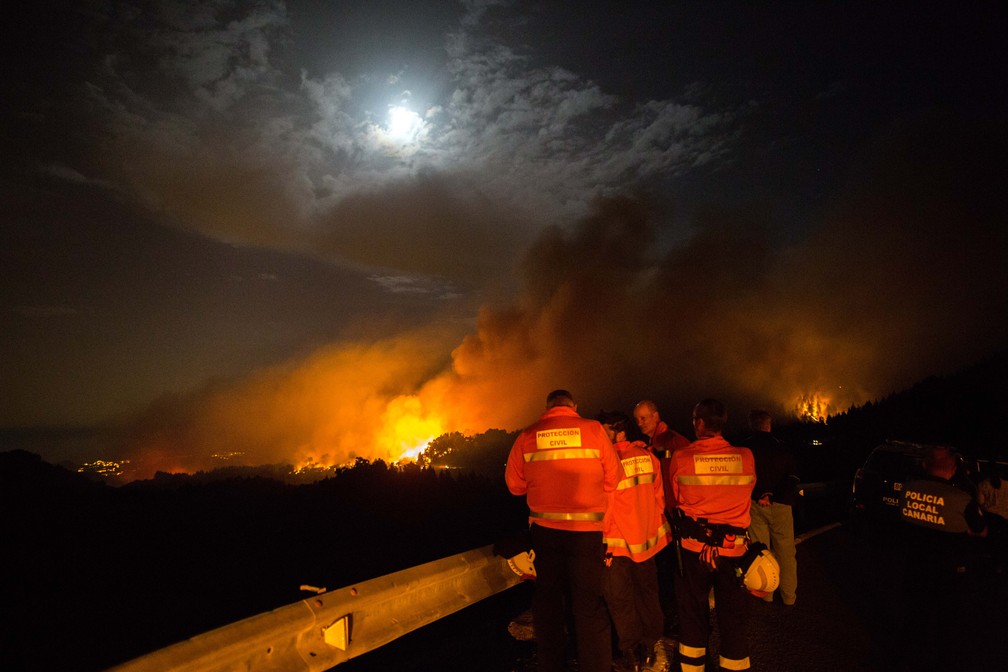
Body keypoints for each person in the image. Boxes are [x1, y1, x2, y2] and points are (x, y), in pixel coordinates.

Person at [505, 389, 621, 672]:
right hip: (586, 534)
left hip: (545, 534)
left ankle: (551, 665)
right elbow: (615, 477)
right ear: (574, 407)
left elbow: (514, 485)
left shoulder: (527, 435)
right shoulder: (593, 430)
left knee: (548, 604)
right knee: (589, 607)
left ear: (547, 408)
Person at [667, 399, 756, 672]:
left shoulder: (682, 459)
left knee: (693, 616)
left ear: (700, 423)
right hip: (734, 552)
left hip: (694, 551)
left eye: (694, 420)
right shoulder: (746, 456)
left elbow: (675, 500)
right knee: (733, 619)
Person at [596, 410, 672, 672]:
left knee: (620, 599)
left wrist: (602, 543)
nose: (600, 436)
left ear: (619, 433)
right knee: (648, 595)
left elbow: (607, 508)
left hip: (616, 544)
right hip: (647, 543)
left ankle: (630, 653)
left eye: (604, 431)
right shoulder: (648, 457)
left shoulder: (608, 462)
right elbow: (659, 498)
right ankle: (650, 647)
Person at [634, 400, 690, 634]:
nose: (640, 423)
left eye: (644, 418)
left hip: (673, 515)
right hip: (665, 514)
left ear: (656, 416)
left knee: (673, 571)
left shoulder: (672, 441)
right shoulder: (655, 442)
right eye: (637, 420)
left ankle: (676, 620)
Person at [744, 409, 799, 606]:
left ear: (752, 425)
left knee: (760, 551)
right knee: (785, 552)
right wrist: (772, 494)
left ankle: (766, 594)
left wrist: (761, 494)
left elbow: (743, 478)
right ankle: (789, 597)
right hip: (781, 505)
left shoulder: (746, 448)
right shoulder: (782, 447)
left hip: (755, 505)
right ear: (769, 425)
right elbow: (793, 478)